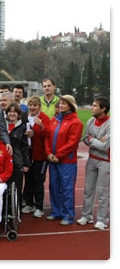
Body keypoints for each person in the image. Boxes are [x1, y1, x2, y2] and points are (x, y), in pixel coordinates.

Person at [45, 95, 83, 225]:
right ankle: (56, 212)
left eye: (64, 104)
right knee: (54, 186)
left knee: (66, 188)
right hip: (53, 159)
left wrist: (58, 155)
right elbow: (47, 137)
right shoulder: (54, 120)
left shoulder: (76, 122)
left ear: (71, 106)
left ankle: (68, 214)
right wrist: (49, 153)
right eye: (60, 103)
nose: (60, 105)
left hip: (67, 161)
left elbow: (72, 143)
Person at [77, 97, 110, 230]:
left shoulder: (111, 124)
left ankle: (102, 219)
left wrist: (92, 140)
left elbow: (105, 146)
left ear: (103, 109)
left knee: (103, 192)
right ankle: (87, 215)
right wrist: (95, 140)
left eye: (95, 106)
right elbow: (85, 139)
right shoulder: (90, 121)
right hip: (92, 159)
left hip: (106, 161)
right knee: (88, 189)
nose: (92, 108)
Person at [22, 96, 51, 217]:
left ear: (39, 106)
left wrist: (41, 128)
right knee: (28, 180)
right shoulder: (25, 117)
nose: (32, 107)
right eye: (30, 105)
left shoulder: (44, 118)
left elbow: (48, 134)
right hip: (28, 154)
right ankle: (29, 203)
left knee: (38, 181)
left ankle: (39, 206)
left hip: (40, 155)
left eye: (35, 105)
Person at [5, 102, 31, 216]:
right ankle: (4, 211)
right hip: (3, 163)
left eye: (14, 112)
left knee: (17, 188)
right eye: (10, 112)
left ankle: (16, 213)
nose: (12, 114)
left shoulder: (23, 127)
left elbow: (25, 147)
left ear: (18, 114)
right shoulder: (2, 126)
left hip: (17, 162)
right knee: (4, 188)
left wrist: (26, 164)